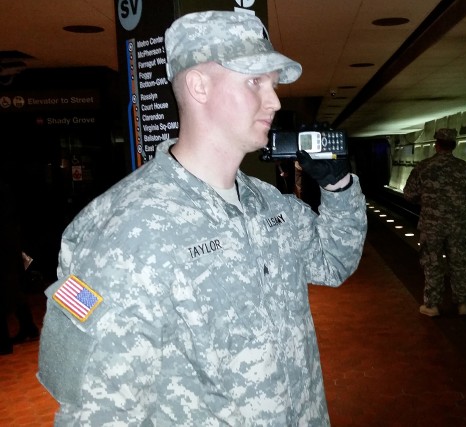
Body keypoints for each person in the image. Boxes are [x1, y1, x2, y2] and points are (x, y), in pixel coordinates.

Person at [37, 10, 367, 426]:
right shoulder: (121, 231)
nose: (275, 100)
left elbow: (334, 262)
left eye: (274, 84)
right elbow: (95, 411)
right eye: (255, 81)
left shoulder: (269, 206)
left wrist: (338, 188)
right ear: (198, 85)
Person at [403, 128, 466, 317]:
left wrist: (427, 201)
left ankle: (432, 305)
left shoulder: (424, 167)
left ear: (436, 145)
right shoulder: (464, 167)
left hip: (432, 225)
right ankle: (463, 304)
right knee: (459, 263)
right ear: (454, 145)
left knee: (432, 263)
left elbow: (409, 194)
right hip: (457, 224)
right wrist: (454, 202)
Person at [0, 179, 40, 355]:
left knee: (9, 288)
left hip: (6, 241)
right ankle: (28, 328)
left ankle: (5, 342)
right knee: (13, 288)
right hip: (10, 239)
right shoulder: (6, 187)